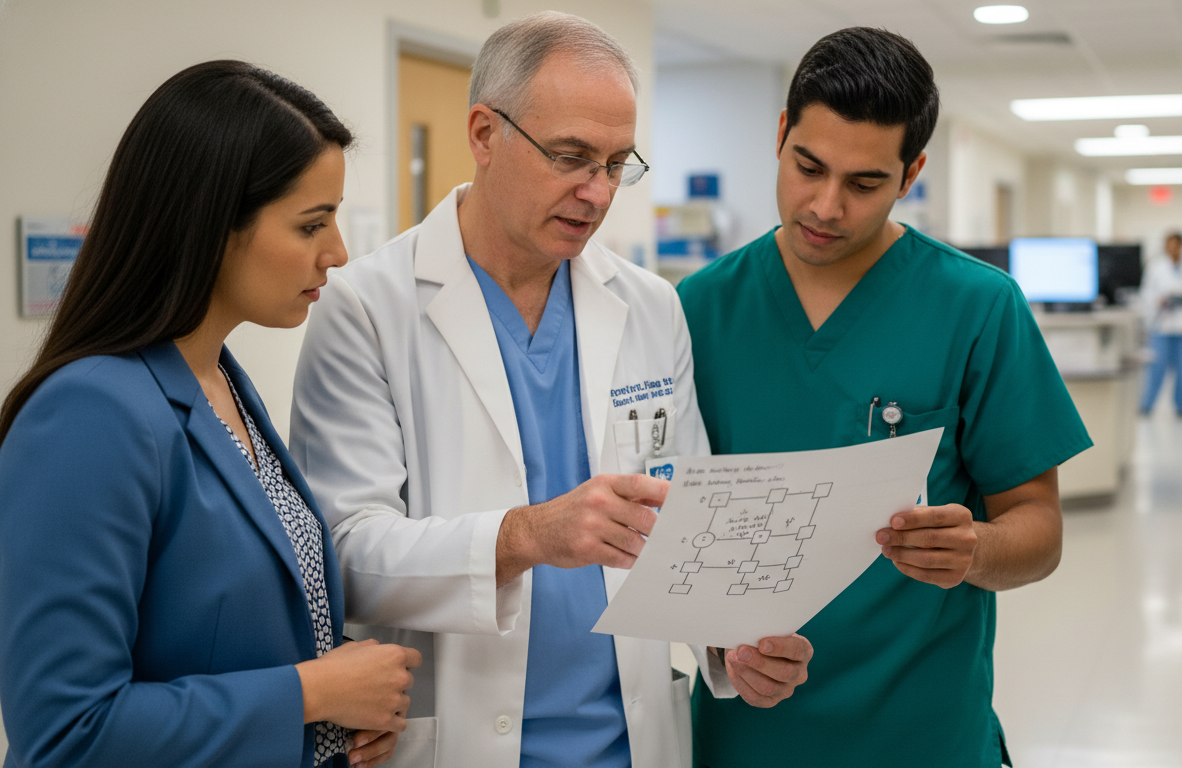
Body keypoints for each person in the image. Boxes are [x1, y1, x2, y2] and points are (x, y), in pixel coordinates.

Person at [289, 12, 811, 768]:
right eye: (570, 157)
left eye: (616, 164)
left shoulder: (649, 305)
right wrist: (525, 537)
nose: (596, 192)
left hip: (630, 744)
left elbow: (686, 522)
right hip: (457, 741)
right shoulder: (366, 307)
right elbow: (343, 555)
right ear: (484, 134)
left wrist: (732, 642)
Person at [676, 27, 1093, 767]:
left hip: (922, 734)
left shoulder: (977, 307)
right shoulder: (697, 309)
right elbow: (669, 534)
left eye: (864, 183)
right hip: (748, 736)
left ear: (911, 173)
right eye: (808, 167)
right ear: (781, 134)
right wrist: (715, 647)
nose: (825, 206)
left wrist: (975, 550)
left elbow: (1040, 528)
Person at [0, 61, 423, 768]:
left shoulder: (219, 380)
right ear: (212, 226)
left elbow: (217, 632)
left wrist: (342, 696)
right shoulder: (90, 413)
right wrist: (312, 694)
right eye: (311, 224)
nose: (337, 252)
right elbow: (65, 734)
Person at [1139, 232, 1182, 417]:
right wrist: (1158, 300)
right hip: (1162, 326)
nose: (1173, 249)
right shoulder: (1155, 267)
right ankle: (1147, 405)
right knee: (1156, 369)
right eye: (1169, 245)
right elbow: (1146, 293)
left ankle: (1181, 407)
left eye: (1176, 245)